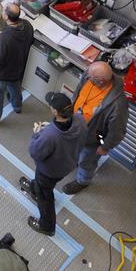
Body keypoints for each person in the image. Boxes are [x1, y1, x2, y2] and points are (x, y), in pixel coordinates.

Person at [18, 92, 86, 237]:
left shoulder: (49, 135)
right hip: (66, 165)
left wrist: (37, 134)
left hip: (49, 171)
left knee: (45, 194)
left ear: (55, 112)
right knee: (43, 185)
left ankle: (47, 226)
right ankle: (35, 190)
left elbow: (35, 152)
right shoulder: (80, 120)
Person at [62, 61, 127, 193]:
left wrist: (105, 147)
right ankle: (74, 161)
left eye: (90, 77)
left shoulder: (118, 105)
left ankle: (83, 181)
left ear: (101, 81)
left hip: (95, 135)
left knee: (87, 160)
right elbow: (78, 91)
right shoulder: (90, 75)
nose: (86, 76)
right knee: (74, 150)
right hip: (75, 127)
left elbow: (118, 131)